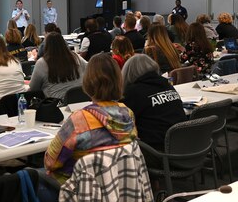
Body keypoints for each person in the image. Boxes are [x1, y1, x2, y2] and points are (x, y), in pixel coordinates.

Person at [44, 53, 137, 184]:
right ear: (118, 80)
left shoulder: (79, 120)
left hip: (80, 189)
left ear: (88, 81)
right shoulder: (127, 113)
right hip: (117, 186)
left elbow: (50, 162)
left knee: (31, 177)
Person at [122, 54, 186, 152]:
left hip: (157, 151)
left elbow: (122, 120)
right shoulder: (166, 84)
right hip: (184, 146)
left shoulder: (133, 92)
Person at [29, 32, 87, 100]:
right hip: (80, 100)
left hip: (56, 105)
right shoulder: (75, 57)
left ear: (46, 46)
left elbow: (33, 88)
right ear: (64, 43)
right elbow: (89, 68)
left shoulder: (42, 62)